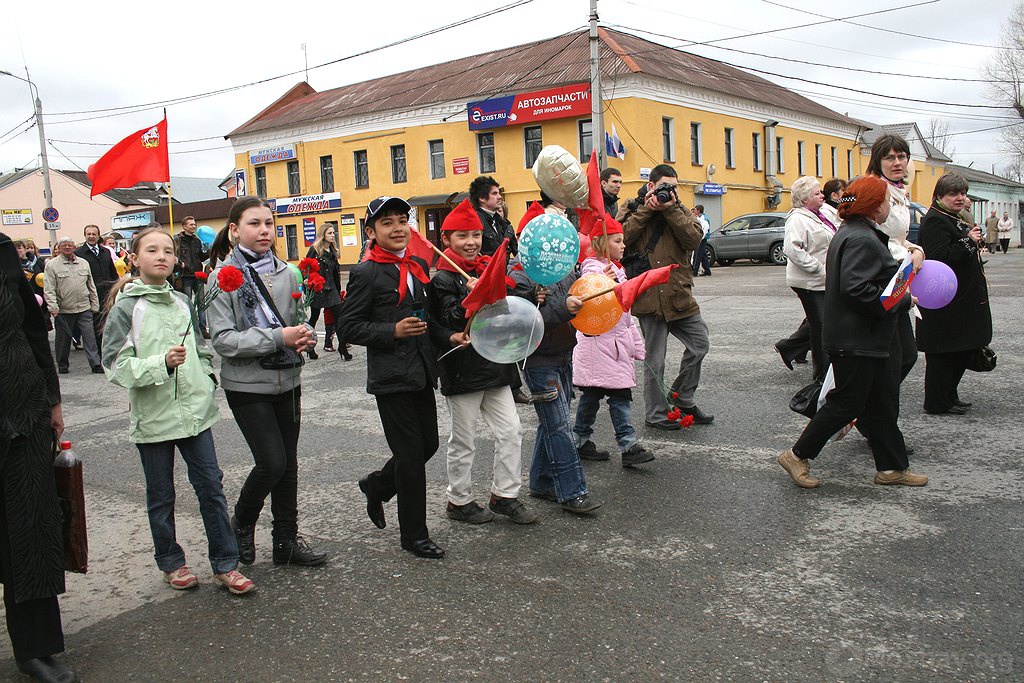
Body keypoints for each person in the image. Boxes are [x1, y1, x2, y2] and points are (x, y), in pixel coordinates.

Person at [102, 227, 255, 596]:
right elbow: (115, 366)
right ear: (134, 258)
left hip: (195, 415)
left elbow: (201, 348)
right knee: (162, 495)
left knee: (211, 490)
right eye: (152, 250)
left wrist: (205, 377)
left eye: (168, 251)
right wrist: (161, 364)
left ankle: (225, 565)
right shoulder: (127, 308)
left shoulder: (182, 302)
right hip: (153, 419)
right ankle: (171, 562)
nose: (162, 257)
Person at [777, 175, 926, 489]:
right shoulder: (860, 237)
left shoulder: (861, 232)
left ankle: (891, 468)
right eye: (886, 201)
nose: (890, 207)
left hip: (869, 337)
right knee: (847, 403)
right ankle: (797, 455)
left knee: (883, 402)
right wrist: (899, 297)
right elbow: (857, 290)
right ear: (874, 207)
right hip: (856, 339)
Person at [207, 197, 327, 567]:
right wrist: (280, 338)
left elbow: (296, 322)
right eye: (255, 223)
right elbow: (224, 340)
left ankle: (285, 541)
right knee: (271, 463)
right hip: (246, 385)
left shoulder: (288, 273)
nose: (264, 231)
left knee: (288, 464)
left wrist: (305, 335)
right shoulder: (223, 278)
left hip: (287, 379)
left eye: (269, 224)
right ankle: (241, 523)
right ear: (234, 231)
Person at [341, 196, 445, 558]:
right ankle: (414, 535)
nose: (398, 228)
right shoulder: (366, 272)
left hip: (420, 371)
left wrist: (451, 338)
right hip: (390, 376)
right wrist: (392, 331)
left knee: (428, 445)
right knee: (411, 456)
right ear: (371, 231)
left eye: (403, 220)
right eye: (387, 223)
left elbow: (426, 320)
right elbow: (348, 326)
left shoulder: (417, 264)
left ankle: (378, 484)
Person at [427, 200, 537, 525]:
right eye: (462, 235)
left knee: (512, 431)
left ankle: (505, 495)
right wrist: (470, 298)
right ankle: (458, 500)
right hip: (462, 370)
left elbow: (503, 317)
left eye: (475, 234)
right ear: (447, 240)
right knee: (463, 439)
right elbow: (446, 319)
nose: (472, 241)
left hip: (495, 366)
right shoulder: (442, 280)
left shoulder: (487, 271)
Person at [0, 232, 78, 683]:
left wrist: (52, 401)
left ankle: (36, 646)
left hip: (21, 411)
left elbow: (31, 330)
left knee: (29, 527)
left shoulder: (3, 252)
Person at [509, 239, 602, 514]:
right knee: (559, 425)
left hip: (564, 353)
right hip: (538, 360)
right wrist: (566, 307)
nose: (552, 250)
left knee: (552, 422)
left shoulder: (566, 271)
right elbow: (523, 317)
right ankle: (573, 492)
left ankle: (541, 481)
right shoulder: (518, 276)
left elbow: (577, 307)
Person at [620, 164, 712, 429]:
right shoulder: (632, 207)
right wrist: (647, 210)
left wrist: (670, 209)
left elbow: (694, 239)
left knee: (699, 344)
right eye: (663, 187)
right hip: (649, 296)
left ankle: (682, 397)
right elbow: (621, 238)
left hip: (678, 294)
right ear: (651, 185)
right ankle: (656, 414)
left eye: (672, 187)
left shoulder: (679, 208)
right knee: (655, 361)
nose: (668, 191)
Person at [572, 213, 655, 467]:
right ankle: (627, 446)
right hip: (599, 345)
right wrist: (603, 283)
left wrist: (635, 345)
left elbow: (626, 315)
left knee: (599, 395)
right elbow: (590, 298)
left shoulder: (617, 270)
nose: (623, 246)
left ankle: (580, 440)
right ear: (601, 243)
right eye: (617, 241)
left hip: (615, 346)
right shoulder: (594, 271)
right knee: (609, 395)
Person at [915, 173, 992, 416]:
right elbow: (940, 256)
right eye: (953, 194)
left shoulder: (953, 217)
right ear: (940, 196)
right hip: (945, 299)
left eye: (962, 193)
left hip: (961, 297)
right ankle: (937, 401)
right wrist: (969, 241)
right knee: (943, 353)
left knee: (961, 348)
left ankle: (949, 395)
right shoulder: (935, 220)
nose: (960, 198)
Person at [865, 134, 926, 386]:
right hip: (881, 279)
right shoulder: (875, 191)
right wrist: (909, 256)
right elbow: (871, 236)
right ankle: (866, 401)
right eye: (889, 157)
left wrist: (917, 248)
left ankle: (871, 400)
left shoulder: (898, 191)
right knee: (899, 356)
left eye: (901, 156)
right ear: (877, 161)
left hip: (899, 275)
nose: (897, 162)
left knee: (903, 355)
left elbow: (897, 237)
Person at [782, 176, 835, 382]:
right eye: (817, 193)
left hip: (823, 281)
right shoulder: (797, 219)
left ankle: (789, 349)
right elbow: (792, 249)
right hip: (809, 282)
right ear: (804, 199)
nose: (822, 195)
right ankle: (821, 377)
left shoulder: (821, 214)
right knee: (820, 327)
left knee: (820, 324)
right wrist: (818, 268)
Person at [43, 236, 102, 375]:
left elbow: (91, 285)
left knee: (90, 338)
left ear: (74, 247)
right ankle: (63, 364)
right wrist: (53, 307)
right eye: (64, 246)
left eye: (70, 245)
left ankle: (96, 364)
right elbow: (49, 288)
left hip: (84, 307)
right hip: (64, 309)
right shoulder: (52, 265)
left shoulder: (83, 263)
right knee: (63, 340)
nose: (68, 248)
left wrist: (95, 305)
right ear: (59, 248)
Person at [305, 223, 351, 360]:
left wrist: (338, 291)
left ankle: (342, 347)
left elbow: (335, 273)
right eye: (330, 233)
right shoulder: (314, 249)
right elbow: (306, 267)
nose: (332, 235)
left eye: (333, 233)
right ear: (323, 234)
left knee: (339, 319)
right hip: (318, 289)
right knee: (313, 319)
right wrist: (308, 282)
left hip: (332, 289)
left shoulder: (332, 250)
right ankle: (309, 348)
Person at [74, 225, 118, 347]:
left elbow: (113, 273)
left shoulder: (106, 252)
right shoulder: (78, 253)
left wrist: (116, 289)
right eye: (89, 234)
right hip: (91, 295)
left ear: (98, 236)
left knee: (110, 324)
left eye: (94, 234)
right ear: (85, 236)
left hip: (108, 294)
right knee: (96, 327)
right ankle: (98, 354)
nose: (91, 236)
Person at [173, 216, 210, 336]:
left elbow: (201, 256)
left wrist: (209, 250)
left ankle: (203, 329)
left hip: (198, 275)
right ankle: (190, 328)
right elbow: (174, 255)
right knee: (187, 303)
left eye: (194, 224)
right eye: (191, 224)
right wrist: (180, 264)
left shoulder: (197, 240)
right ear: (184, 227)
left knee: (201, 303)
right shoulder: (178, 240)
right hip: (186, 275)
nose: (194, 226)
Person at [470, 175, 517, 257]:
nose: (500, 197)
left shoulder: (502, 223)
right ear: (482, 198)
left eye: (499, 193)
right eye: (494, 193)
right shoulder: (475, 222)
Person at [690, 204, 712, 277]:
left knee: (698, 255)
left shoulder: (704, 219)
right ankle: (707, 270)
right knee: (703, 255)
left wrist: (699, 238)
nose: (694, 211)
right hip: (701, 238)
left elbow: (704, 230)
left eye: (695, 210)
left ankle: (694, 271)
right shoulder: (699, 218)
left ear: (699, 210)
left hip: (701, 239)